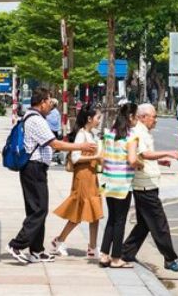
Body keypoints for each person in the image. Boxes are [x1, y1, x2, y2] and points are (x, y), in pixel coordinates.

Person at [6, 88, 97, 264]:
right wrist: (81, 147)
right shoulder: (36, 120)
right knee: (39, 210)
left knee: (36, 210)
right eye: (49, 102)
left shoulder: (32, 117)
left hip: (35, 169)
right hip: (34, 168)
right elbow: (55, 144)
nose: (51, 105)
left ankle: (37, 251)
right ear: (42, 103)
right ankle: (16, 245)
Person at [121, 104, 178, 272]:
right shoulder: (138, 132)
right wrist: (168, 153)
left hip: (148, 184)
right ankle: (170, 259)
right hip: (145, 186)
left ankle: (126, 252)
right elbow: (143, 155)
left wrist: (160, 160)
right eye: (153, 117)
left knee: (144, 224)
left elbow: (147, 156)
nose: (155, 120)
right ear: (143, 117)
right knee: (159, 223)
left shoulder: (143, 132)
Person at [50, 105, 104, 258]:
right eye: (98, 117)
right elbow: (75, 158)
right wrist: (95, 158)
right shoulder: (81, 135)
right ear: (89, 119)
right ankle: (59, 240)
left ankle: (92, 247)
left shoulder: (90, 135)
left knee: (95, 213)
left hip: (91, 177)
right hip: (82, 178)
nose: (99, 120)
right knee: (77, 213)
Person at [99, 102, 142, 268]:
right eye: (136, 116)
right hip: (123, 184)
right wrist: (140, 164)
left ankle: (104, 255)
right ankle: (116, 258)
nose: (137, 119)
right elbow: (132, 160)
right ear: (130, 117)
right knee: (120, 221)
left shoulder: (110, 134)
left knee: (111, 219)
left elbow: (102, 159)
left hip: (109, 182)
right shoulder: (131, 137)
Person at [46, 99, 63, 164]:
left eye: (51, 103)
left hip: (53, 130)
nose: (50, 104)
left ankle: (55, 158)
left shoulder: (55, 112)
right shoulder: (50, 111)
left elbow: (54, 122)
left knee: (53, 145)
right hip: (50, 130)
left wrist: (46, 117)